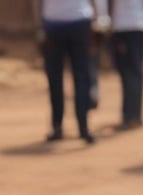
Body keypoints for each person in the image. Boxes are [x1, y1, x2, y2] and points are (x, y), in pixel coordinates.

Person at [32, 0, 109, 145]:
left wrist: (98, 19)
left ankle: (81, 126)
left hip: (75, 22)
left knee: (80, 77)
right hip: (56, 24)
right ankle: (62, 126)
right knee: (58, 78)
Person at [110, 0, 143, 131]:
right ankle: (132, 115)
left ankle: (132, 116)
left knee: (129, 73)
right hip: (138, 24)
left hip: (125, 26)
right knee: (134, 72)